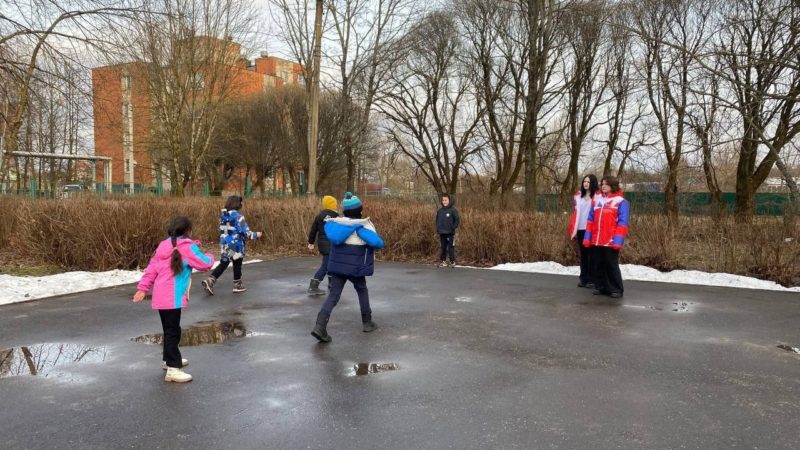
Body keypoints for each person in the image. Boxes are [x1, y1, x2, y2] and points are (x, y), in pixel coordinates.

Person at [133, 216, 214, 383]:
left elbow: (151, 269)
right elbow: (206, 264)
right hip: (173, 297)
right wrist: (210, 255)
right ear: (188, 231)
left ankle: (168, 359)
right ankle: (173, 368)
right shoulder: (188, 247)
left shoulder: (163, 246)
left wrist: (142, 288)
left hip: (161, 296)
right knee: (173, 332)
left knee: (169, 329)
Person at [311, 192, 384, 343]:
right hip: (356, 268)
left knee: (333, 295)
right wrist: (361, 229)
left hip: (337, 267)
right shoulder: (362, 226)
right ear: (359, 210)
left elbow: (332, 236)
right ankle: (367, 322)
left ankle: (320, 326)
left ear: (344, 210)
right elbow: (378, 243)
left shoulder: (336, 224)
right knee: (362, 290)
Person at [202, 195, 262, 295]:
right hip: (236, 245)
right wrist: (257, 234)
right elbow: (246, 233)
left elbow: (219, 229)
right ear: (237, 204)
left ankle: (210, 280)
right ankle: (237, 285)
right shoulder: (239, 217)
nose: (242, 204)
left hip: (225, 243)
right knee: (237, 264)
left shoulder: (223, 216)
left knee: (224, 263)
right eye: (241, 202)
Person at [583, 176, 630, 298]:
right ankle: (601, 287)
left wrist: (618, 241)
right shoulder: (597, 200)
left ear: (612, 186)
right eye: (602, 184)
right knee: (598, 264)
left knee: (611, 265)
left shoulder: (621, 202)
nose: (603, 186)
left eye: (606, 184)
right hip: (596, 240)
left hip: (610, 240)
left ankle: (616, 289)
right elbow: (590, 220)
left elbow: (623, 223)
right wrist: (587, 238)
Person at [568, 174, 599, 288]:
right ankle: (583, 278)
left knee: (592, 254)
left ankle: (592, 279)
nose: (586, 183)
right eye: (584, 181)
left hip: (591, 229)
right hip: (580, 228)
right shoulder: (578, 196)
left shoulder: (597, 197)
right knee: (583, 255)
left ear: (593, 183)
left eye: (588, 182)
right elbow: (576, 213)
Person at [306, 195, 339, 296]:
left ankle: (332, 284)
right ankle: (313, 287)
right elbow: (339, 232)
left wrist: (310, 243)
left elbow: (313, 230)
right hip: (331, 244)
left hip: (322, 244)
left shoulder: (319, 216)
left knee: (331, 263)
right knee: (326, 265)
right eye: (335, 204)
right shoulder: (336, 217)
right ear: (333, 205)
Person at [435, 192, 460, 267]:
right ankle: (443, 261)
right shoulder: (440, 211)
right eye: (443, 200)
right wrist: (438, 229)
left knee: (450, 248)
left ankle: (452, 261)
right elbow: (437, 221)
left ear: (449, 200)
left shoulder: (453, 210)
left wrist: (453, 227)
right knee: (443, 248)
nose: (444, 202)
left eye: (446, 200)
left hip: (450, 233)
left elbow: (457, 220)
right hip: (442, 233)